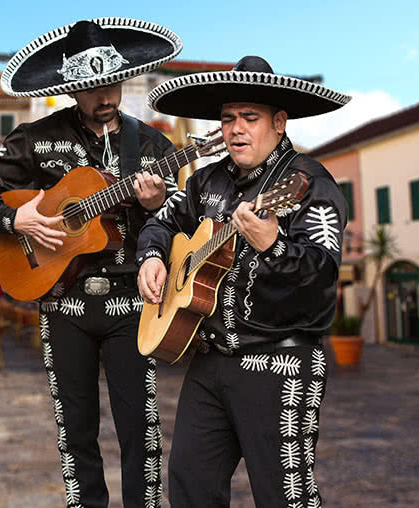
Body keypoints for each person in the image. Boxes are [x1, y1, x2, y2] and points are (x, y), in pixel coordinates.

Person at [0, 17, 184, 508]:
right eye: (92, 89)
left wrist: (152, 207)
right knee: (73, 429)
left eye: (112, 85)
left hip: (131, 304)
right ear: (72, 89)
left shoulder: (151, 147)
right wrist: (12, 218)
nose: (105, 97)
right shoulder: (35, 138)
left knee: (140, 431)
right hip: (63, 304)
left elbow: (180, 222)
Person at [136, 56, 351, 507]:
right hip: (211, 360)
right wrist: (152, 257)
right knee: (190, 485)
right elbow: (161, 222)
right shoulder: (206, 182)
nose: (236, 129)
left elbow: (322, 276)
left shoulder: (309, 184)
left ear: (279, 122)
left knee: (284, 496)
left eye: (249, 118)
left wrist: (273, 246)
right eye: (228, 118)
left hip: (281, 364)